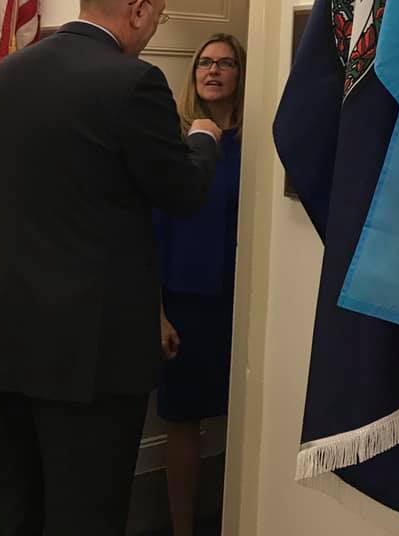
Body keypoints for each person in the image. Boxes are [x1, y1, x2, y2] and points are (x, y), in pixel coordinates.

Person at [0, 0, 222, 536]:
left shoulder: (6, 74)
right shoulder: (133, 81)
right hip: (91, 359)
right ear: (138, 9)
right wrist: (202, 139)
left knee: (13, 506)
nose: (153, 29)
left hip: (7, 341)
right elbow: (182, 192)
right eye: (159, 17)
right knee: (86, 513)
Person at [154, 34, 246, 536]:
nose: (212, 71)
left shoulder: (258, 143)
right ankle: (183, 528)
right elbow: (153, 229)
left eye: (225, 63)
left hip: (243, 299)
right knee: (184, 420)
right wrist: (158, 311)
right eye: (204, 63)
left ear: (240, 74)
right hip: (184, 300)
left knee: (245, 416)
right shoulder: (176, 143)